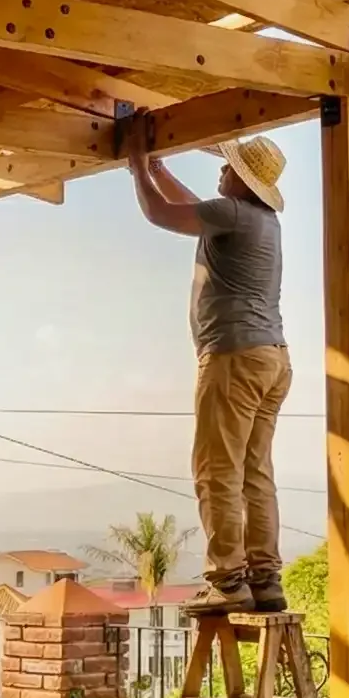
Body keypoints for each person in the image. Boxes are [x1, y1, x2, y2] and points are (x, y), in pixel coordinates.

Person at [129, 133, 290, 615]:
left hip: (233, 358)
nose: (220, 171)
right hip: (272, 358)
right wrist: (157, 171)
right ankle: (265, 579)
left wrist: (139, 168)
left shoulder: (232, 214)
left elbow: (160, 214)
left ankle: (228, 580)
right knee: (254, 472)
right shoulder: (261, 220)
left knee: (217, 470)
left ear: (243, 180)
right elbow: (193, 208)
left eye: (228, 167)